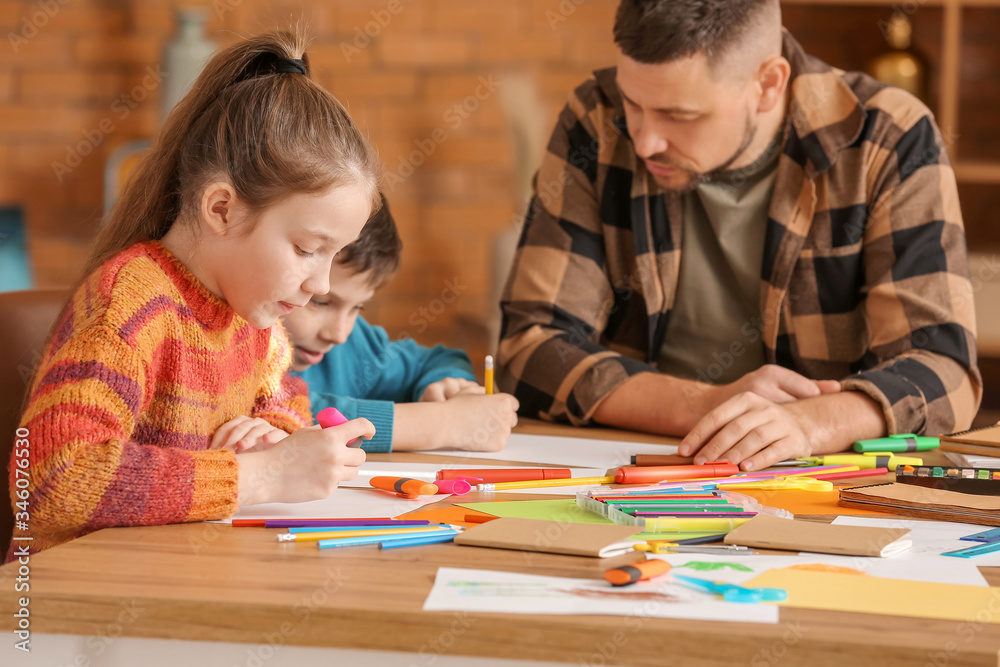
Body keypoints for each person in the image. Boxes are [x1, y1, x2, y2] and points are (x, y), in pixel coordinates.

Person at [498, 0, 980, 472]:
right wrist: (708, 404)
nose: (644, 140)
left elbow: (945, 369)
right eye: (634, 104)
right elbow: (530, 346)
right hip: (636, 471)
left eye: (679, 115)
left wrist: (811, 423)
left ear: (768, 84)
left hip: (812, 484)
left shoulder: (889, 136)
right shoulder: (596, 117)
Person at [11, 30, 380, 557]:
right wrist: (256, 475)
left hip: (181, 572)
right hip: (71, 605)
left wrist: (271, 433)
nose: (320, 285)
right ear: (223, 210)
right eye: (306, 249)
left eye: (333, 255)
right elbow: (52, 480)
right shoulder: (131, 304)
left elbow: (288, 397)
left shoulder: (255, 317)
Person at [281, 196, 519, 453]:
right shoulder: (240, 339)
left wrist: (448, 387)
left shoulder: (354, 344)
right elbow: (269, 412)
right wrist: (444, 423)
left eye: (358, 307)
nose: (339, 334)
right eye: (321, 302)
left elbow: (438, 359)